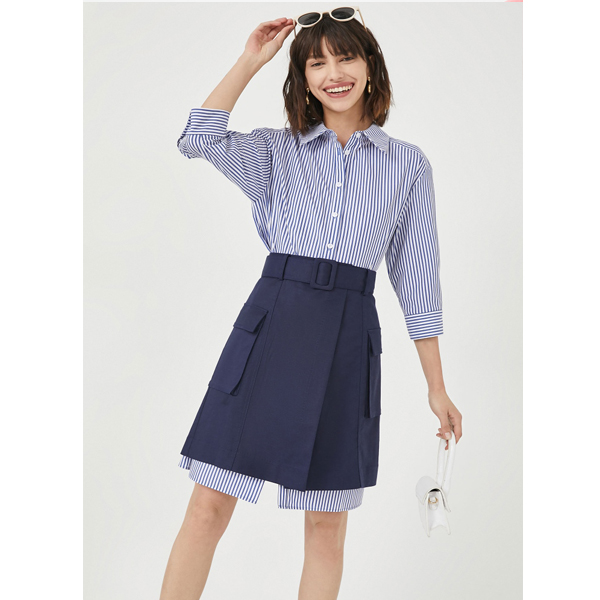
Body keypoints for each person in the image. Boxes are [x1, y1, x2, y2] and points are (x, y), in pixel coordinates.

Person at [160, 10, 463, 600]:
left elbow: (417, 279)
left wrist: (437, 387)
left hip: (348, 337)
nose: (333, 74)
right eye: (316, 63)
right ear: (301, 78)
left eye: (345, 57)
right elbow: (197, 139)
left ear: (370, 67)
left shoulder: (407, 164)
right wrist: (251, 60)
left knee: (326, 526)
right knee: (208, 507)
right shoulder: (277, 151)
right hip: (271, 326)